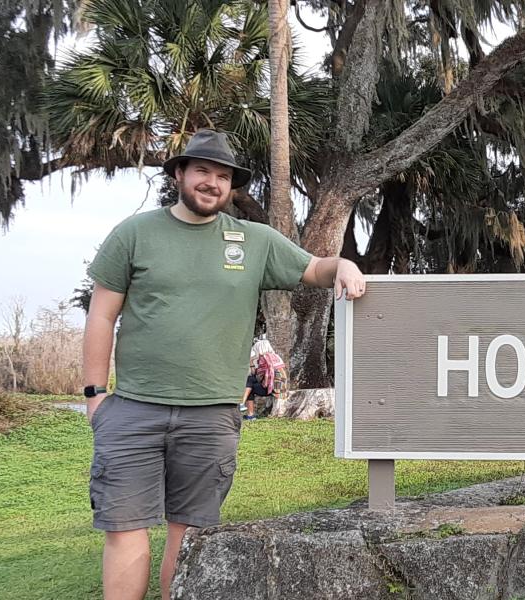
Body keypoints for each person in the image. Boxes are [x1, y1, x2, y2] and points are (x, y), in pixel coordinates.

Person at [79, 129, 366, 600]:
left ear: (231, 186)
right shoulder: (134, 234)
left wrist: (344, 266)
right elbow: (102, 314)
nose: (212, 182)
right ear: (179, 174)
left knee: (188, 537)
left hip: (211, 415)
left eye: (223, 176)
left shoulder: (254, 240)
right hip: (132, 409)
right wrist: (94, 395)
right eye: (202, 171)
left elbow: (315, 268)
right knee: (125, 530)